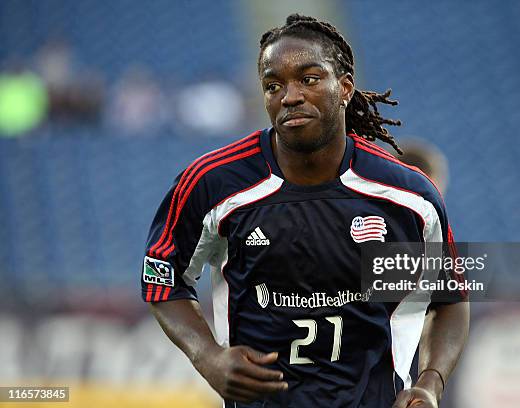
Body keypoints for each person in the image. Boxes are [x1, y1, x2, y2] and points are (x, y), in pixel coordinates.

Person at [142, 14, 469, 408]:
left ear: (345, 87)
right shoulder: (213, 184)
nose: (289, 96)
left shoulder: (405, 198)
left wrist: (430, 383)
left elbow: (448, 298)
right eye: (272, 85)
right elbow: (163, 278)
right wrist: (207, 357)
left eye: (309, 79)